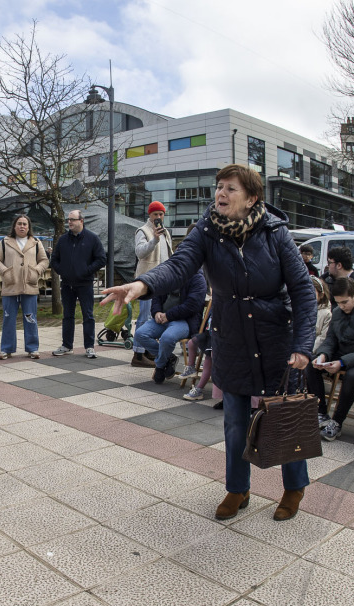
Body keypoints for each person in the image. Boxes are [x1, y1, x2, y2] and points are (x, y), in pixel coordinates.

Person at [103, 164, 316, 522]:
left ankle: (294, 486)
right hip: (231, 339)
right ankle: (237, 488)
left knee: (285, 416)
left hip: (275, 339)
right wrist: (141, 285)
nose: (221, 193)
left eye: (231, 188)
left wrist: (303, 346)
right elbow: (178, 266)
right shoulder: (207, 231)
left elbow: (303, 292)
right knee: (234, 422)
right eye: (219, 186)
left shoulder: (275, 233)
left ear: (252, 198)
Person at [306, 277, 354, 441]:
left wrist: (342, 362)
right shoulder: (337, 312)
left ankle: (337, 422)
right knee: (311, 365)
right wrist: (323, 355)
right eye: (338, 303)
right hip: (345, 353)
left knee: (351, 376)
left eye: (345, 302)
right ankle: (320, 412)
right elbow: (331, 340)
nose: (342, 306)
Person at [0, 213, 50, 359]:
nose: (22, 226)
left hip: (29, 285)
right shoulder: (5, 242)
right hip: (10, 285)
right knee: (8, 318)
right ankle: (6, 348)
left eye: (25, 224)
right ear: (14, 226)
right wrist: (5, 271)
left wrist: (36, 271)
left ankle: (32, 348)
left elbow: (44, 260)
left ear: (29, 227)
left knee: (31, 318)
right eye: (19, 224)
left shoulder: (36, 242)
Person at [51, 209, 106, 358]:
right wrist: (62, 271)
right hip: (67, 285)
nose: (69, 222)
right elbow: (54, 259)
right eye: (68, 219)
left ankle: (89, 347)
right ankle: (67, 345)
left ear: (81, 221)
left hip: (85, 284)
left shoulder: (92, 238)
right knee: (67, 316)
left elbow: (101, 259)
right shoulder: (63, 240)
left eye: (72, 219)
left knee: (88, 315)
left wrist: (87, 271)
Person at [134, 272, 206, 384]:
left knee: (167, 338)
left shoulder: (198, 279)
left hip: (184, 320)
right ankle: (169, 358)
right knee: (140, 334)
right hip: (162, 318)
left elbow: (191, 306)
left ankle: (160, 366)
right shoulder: (169, 274)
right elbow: (156, 296)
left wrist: (168, 316)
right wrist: (156, 312)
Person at [131, 201, 173, 367]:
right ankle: (138, 353)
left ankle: (148, 349)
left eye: (161, 214)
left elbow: (169, 255)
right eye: (155, 214)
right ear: (150, 215)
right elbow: (139, 252)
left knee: (156, 315)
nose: (158, 217)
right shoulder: (143, 231)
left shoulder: (166, 232)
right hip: (148, 281)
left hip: (163, 281)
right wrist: (154, 240)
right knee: (145, 316)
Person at [312, 277, 333, 351]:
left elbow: (322, 337)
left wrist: (307, 351)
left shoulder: (326, 314)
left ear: (321, 295)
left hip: (313, 351)